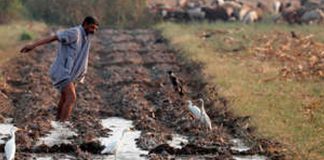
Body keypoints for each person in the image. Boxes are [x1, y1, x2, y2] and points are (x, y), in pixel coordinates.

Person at [20, 16, 99, 122]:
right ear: (84, 24)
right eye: (91, 27)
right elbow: (55, 37)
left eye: (95, 29)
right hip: (62, 71)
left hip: (70, 73)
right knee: (71, 98)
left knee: (65, 97)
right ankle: (63, 125)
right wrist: (33, 45)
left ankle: (58, 122)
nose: (93, 31)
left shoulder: (86, 36)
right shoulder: (75, 32)